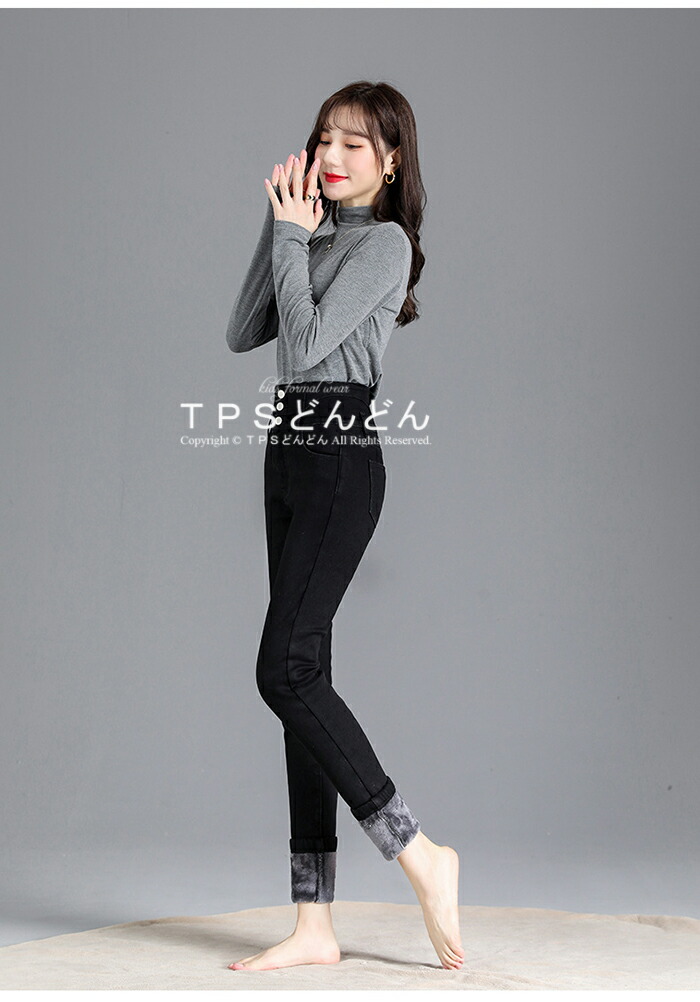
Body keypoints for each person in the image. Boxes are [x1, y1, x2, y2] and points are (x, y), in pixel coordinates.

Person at [224, 81, 464, 972]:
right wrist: (282, 225)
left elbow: (308, 346)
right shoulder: (313, 230)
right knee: (307, 679)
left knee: (283, 670)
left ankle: (419, 851)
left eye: (354, 144)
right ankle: (313, 922)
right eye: (325, 137)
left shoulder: (386, 245)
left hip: (339, 455)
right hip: (288, 452)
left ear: (391, 161)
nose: (331, 155)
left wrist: (295, 237)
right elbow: (244, 331)